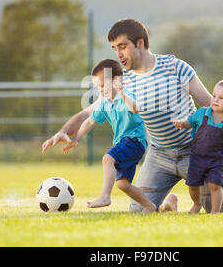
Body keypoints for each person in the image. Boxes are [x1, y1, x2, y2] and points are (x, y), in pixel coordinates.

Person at [41, 18, 223, 215]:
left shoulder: (176, 67)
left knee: (221, 209)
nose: (118, 54)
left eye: (122, 46)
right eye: (114, 48)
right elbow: (88, 112)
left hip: (193, 151)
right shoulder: (123, 80)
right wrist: (64, 131)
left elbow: (209, 103)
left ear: (140, 43)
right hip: (158, 155)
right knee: (139, 209)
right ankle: (169, 201)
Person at [60, 58, 157, 213]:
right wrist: (76, 139)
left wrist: (121, 92)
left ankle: (105, 196)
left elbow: (134, 109)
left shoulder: (126, 96)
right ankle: (150, 206)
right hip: (122, 143)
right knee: (122, 184)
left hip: (135, 141)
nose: (100, 90)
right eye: (98, 86)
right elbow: (89, 122)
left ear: (116, 80)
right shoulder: (105, 103)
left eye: (103, 85)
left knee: (107, 158)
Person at [173, 79, 223, 214]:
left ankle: (215, 212)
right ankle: (197, 204)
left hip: (216, 162)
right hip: (197, 159)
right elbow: (190, 122)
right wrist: (182, 124)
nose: (215, 100)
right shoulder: (202, 113)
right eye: (214, 96)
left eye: (221, 98)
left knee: (215, 186)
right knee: (193, 185)